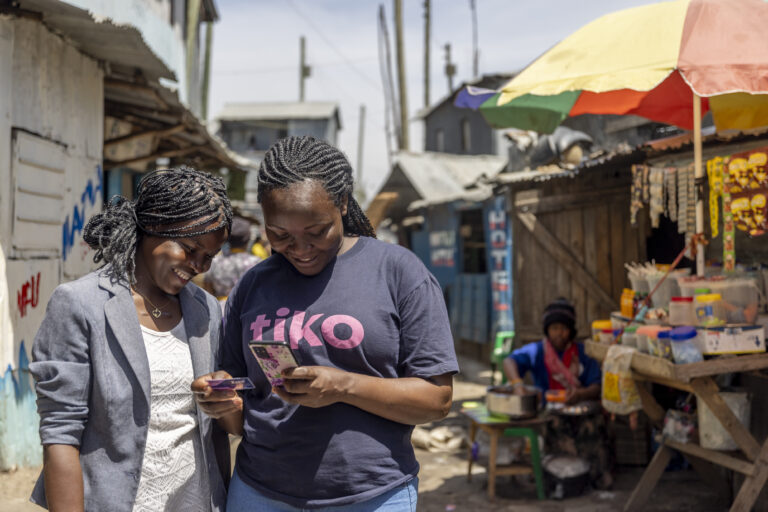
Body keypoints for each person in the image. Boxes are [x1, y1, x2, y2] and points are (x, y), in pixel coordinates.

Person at [193, 136, 458, 511]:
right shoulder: (254, 284)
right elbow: (240, 418)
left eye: (317, 232)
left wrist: (343, 386)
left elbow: (437, 400)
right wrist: (221, 401)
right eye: (280, 235)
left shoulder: (398, 272)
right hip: (259, 493)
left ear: (344, 204)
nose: (299, 249)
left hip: (372, 496)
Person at [30, 167, 233, 512]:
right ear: (152, 227)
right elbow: (60, 435)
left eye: (209, 257)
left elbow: (216, 430)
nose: (198, 265)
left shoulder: (206, 310)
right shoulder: (82, 305)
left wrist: (225, 396)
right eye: (189, 248)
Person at [503, 297, 612, 489]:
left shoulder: (583, 353)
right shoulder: (537, 351)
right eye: (554, 328)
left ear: (571, 330)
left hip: (582, 409)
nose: (559, 333)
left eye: (563, 328)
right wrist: (518, 385)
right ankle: (554, 476)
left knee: (593, 425)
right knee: (550, 424)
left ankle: (594, 475)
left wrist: (579, 395)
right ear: (547, 330)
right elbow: (509, 361)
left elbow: (597, 386)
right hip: (551, 412)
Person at [205, 215, 262, 306]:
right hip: (248, 308)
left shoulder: (215, 261)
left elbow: (208, 289)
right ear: (248, 240)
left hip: (220, 309)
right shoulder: (257, 263)